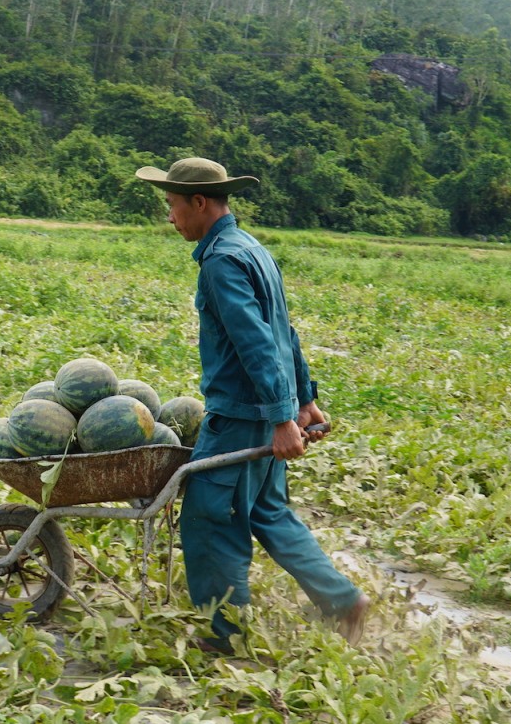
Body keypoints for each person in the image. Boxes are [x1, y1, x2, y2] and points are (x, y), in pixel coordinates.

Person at [135, 157, 370, 653]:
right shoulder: (252, 249)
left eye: (174, 206)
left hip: (243, 416)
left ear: (199, 203)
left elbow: (257, 343)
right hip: (263, 412)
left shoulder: (222, 262)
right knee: (267, 511)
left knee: (208, 515)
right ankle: (341, 600)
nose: (171, 217)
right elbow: (286, 332)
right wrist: (304, 399)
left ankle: (225, 638)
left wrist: (285, 416)